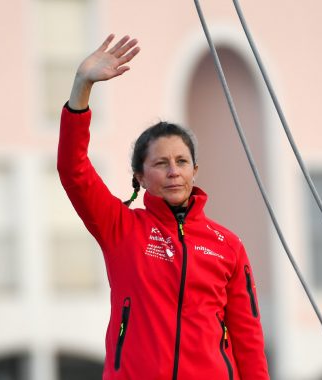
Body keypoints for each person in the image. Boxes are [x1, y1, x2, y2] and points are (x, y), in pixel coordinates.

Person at [57, 34, 270, 380]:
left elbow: (248, 338)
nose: (173, 171)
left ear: (195, 171)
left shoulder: (228, 246)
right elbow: (73, 170)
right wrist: (82, 87)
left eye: (182, 161)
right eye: (161, 163)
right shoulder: (120, 228)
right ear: (140, 176)